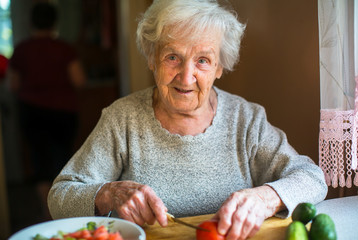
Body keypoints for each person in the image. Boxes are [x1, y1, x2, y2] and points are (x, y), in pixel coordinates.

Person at [48, 0, 327, 239]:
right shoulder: (122, 119)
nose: (185, 76)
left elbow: (313, 178)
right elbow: (59, 197)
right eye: (172, 57)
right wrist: (108, 193)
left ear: (219, 67)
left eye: (203, 60)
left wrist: (264, 198)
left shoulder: (246, 119)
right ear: (151, 58)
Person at [8, 2, 86, 220]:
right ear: (54, 22)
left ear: (31, 22)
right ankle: (64, 212)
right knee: (64, 160)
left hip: (32, 111)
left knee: (39, 162)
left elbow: (12, 85)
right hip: (63, 112)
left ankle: (47, 212)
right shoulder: (65, 48)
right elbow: (79, 79)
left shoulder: (22, 49)